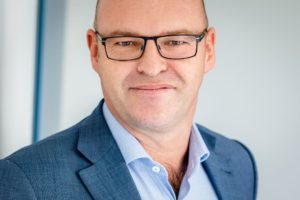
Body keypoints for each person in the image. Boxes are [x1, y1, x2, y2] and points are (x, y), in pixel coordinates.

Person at [0, 0, 257, 199]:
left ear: (208, 51)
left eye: (176, 41)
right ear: (95, 52)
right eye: (125, 43)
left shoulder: (238, 162)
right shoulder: (26, 183)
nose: (152, 67)